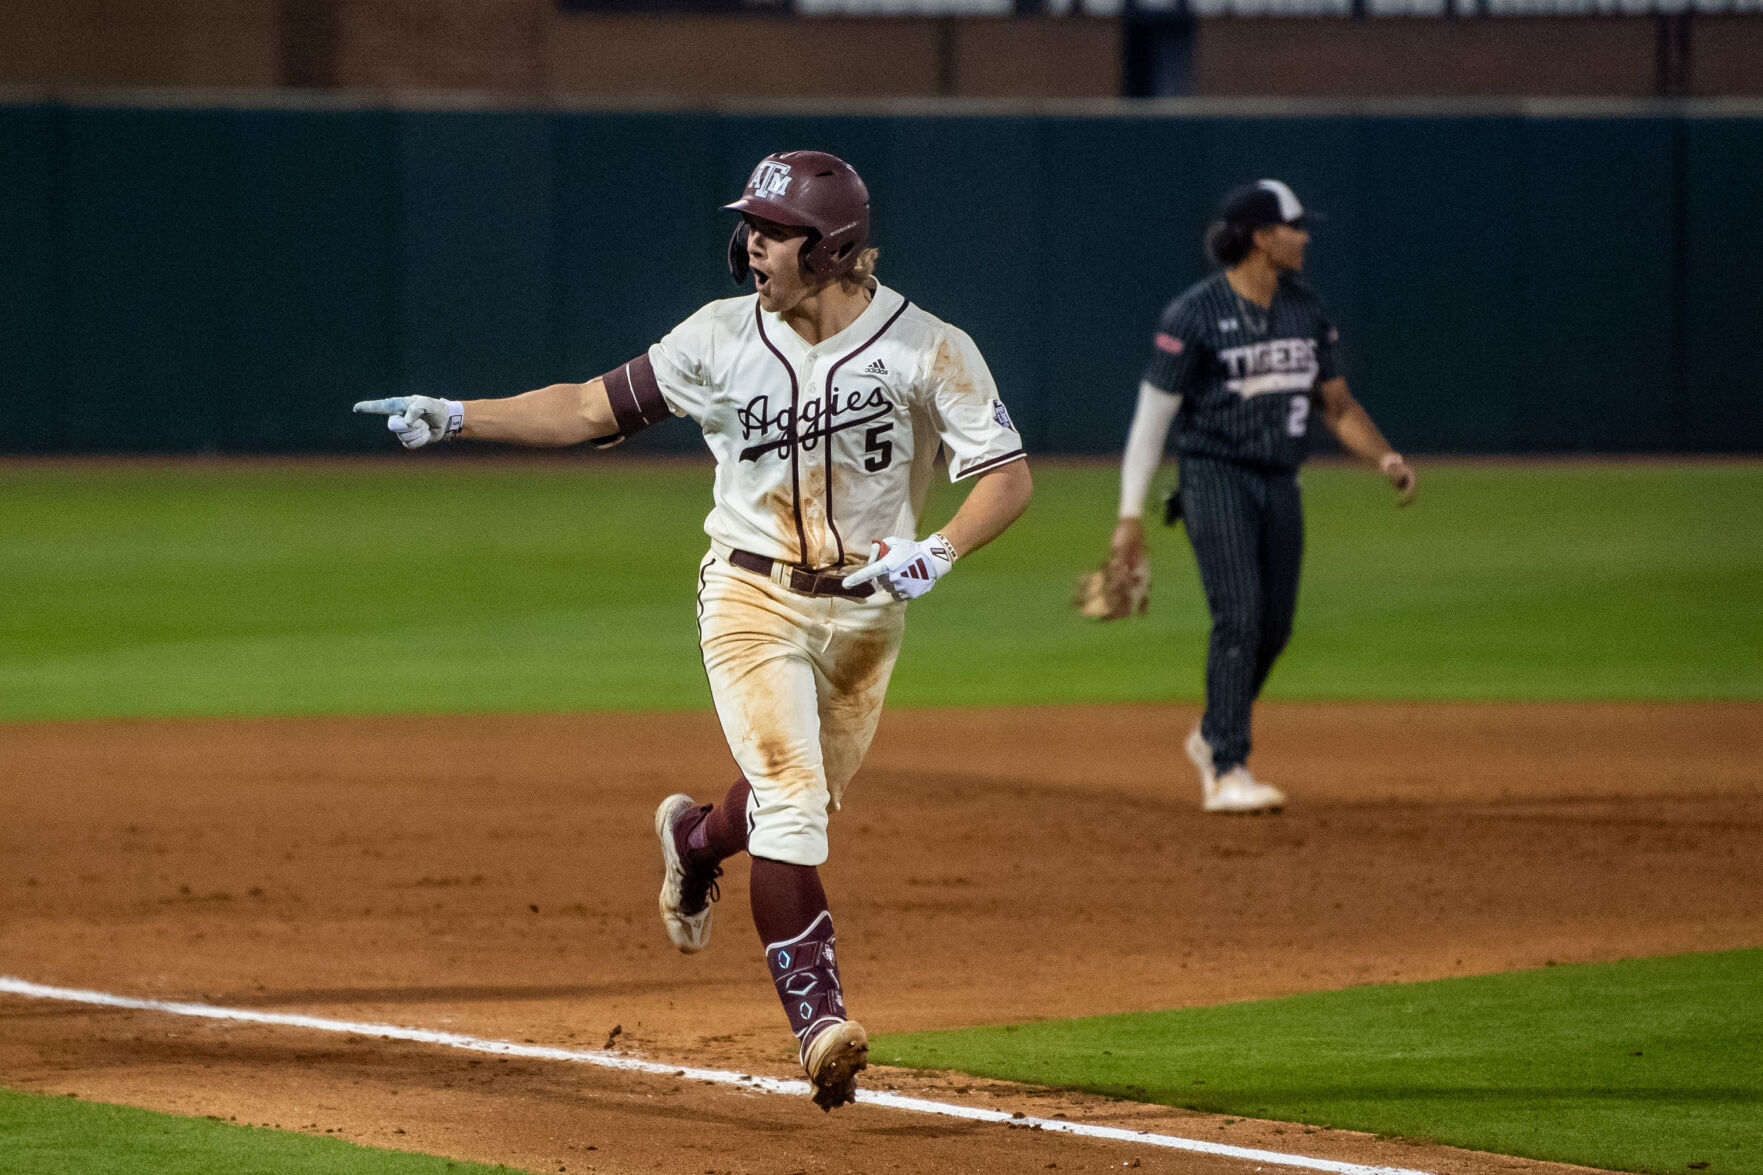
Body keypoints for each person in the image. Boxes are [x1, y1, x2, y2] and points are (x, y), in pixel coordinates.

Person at [354, 150, 1032, 1110]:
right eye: (749, 223)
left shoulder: (930, 348)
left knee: (788, 799)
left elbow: (1005, 477)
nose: (751, 242)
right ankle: (820, 1029)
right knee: (793, 801)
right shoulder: (717, 338)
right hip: (750, 597)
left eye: (773, 229)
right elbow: (591, 407)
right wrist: (458, 415)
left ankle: (695, 840)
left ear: (831, 245)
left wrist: (940, 551)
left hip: (869, 613)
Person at [1103, 179, 1415, 814]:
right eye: (1294, 226)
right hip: (1213, 475)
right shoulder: (1192, 315)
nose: (1304, 237)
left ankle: (1214, 733)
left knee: (1274, 628)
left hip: (1281, 479)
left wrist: (1383, 456)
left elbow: (1338, 405)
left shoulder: (1304, 307)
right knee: (1239, 613)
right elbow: (1151, 422)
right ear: (1261, 237)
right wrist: (1129, 516)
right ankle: (1226, 767)